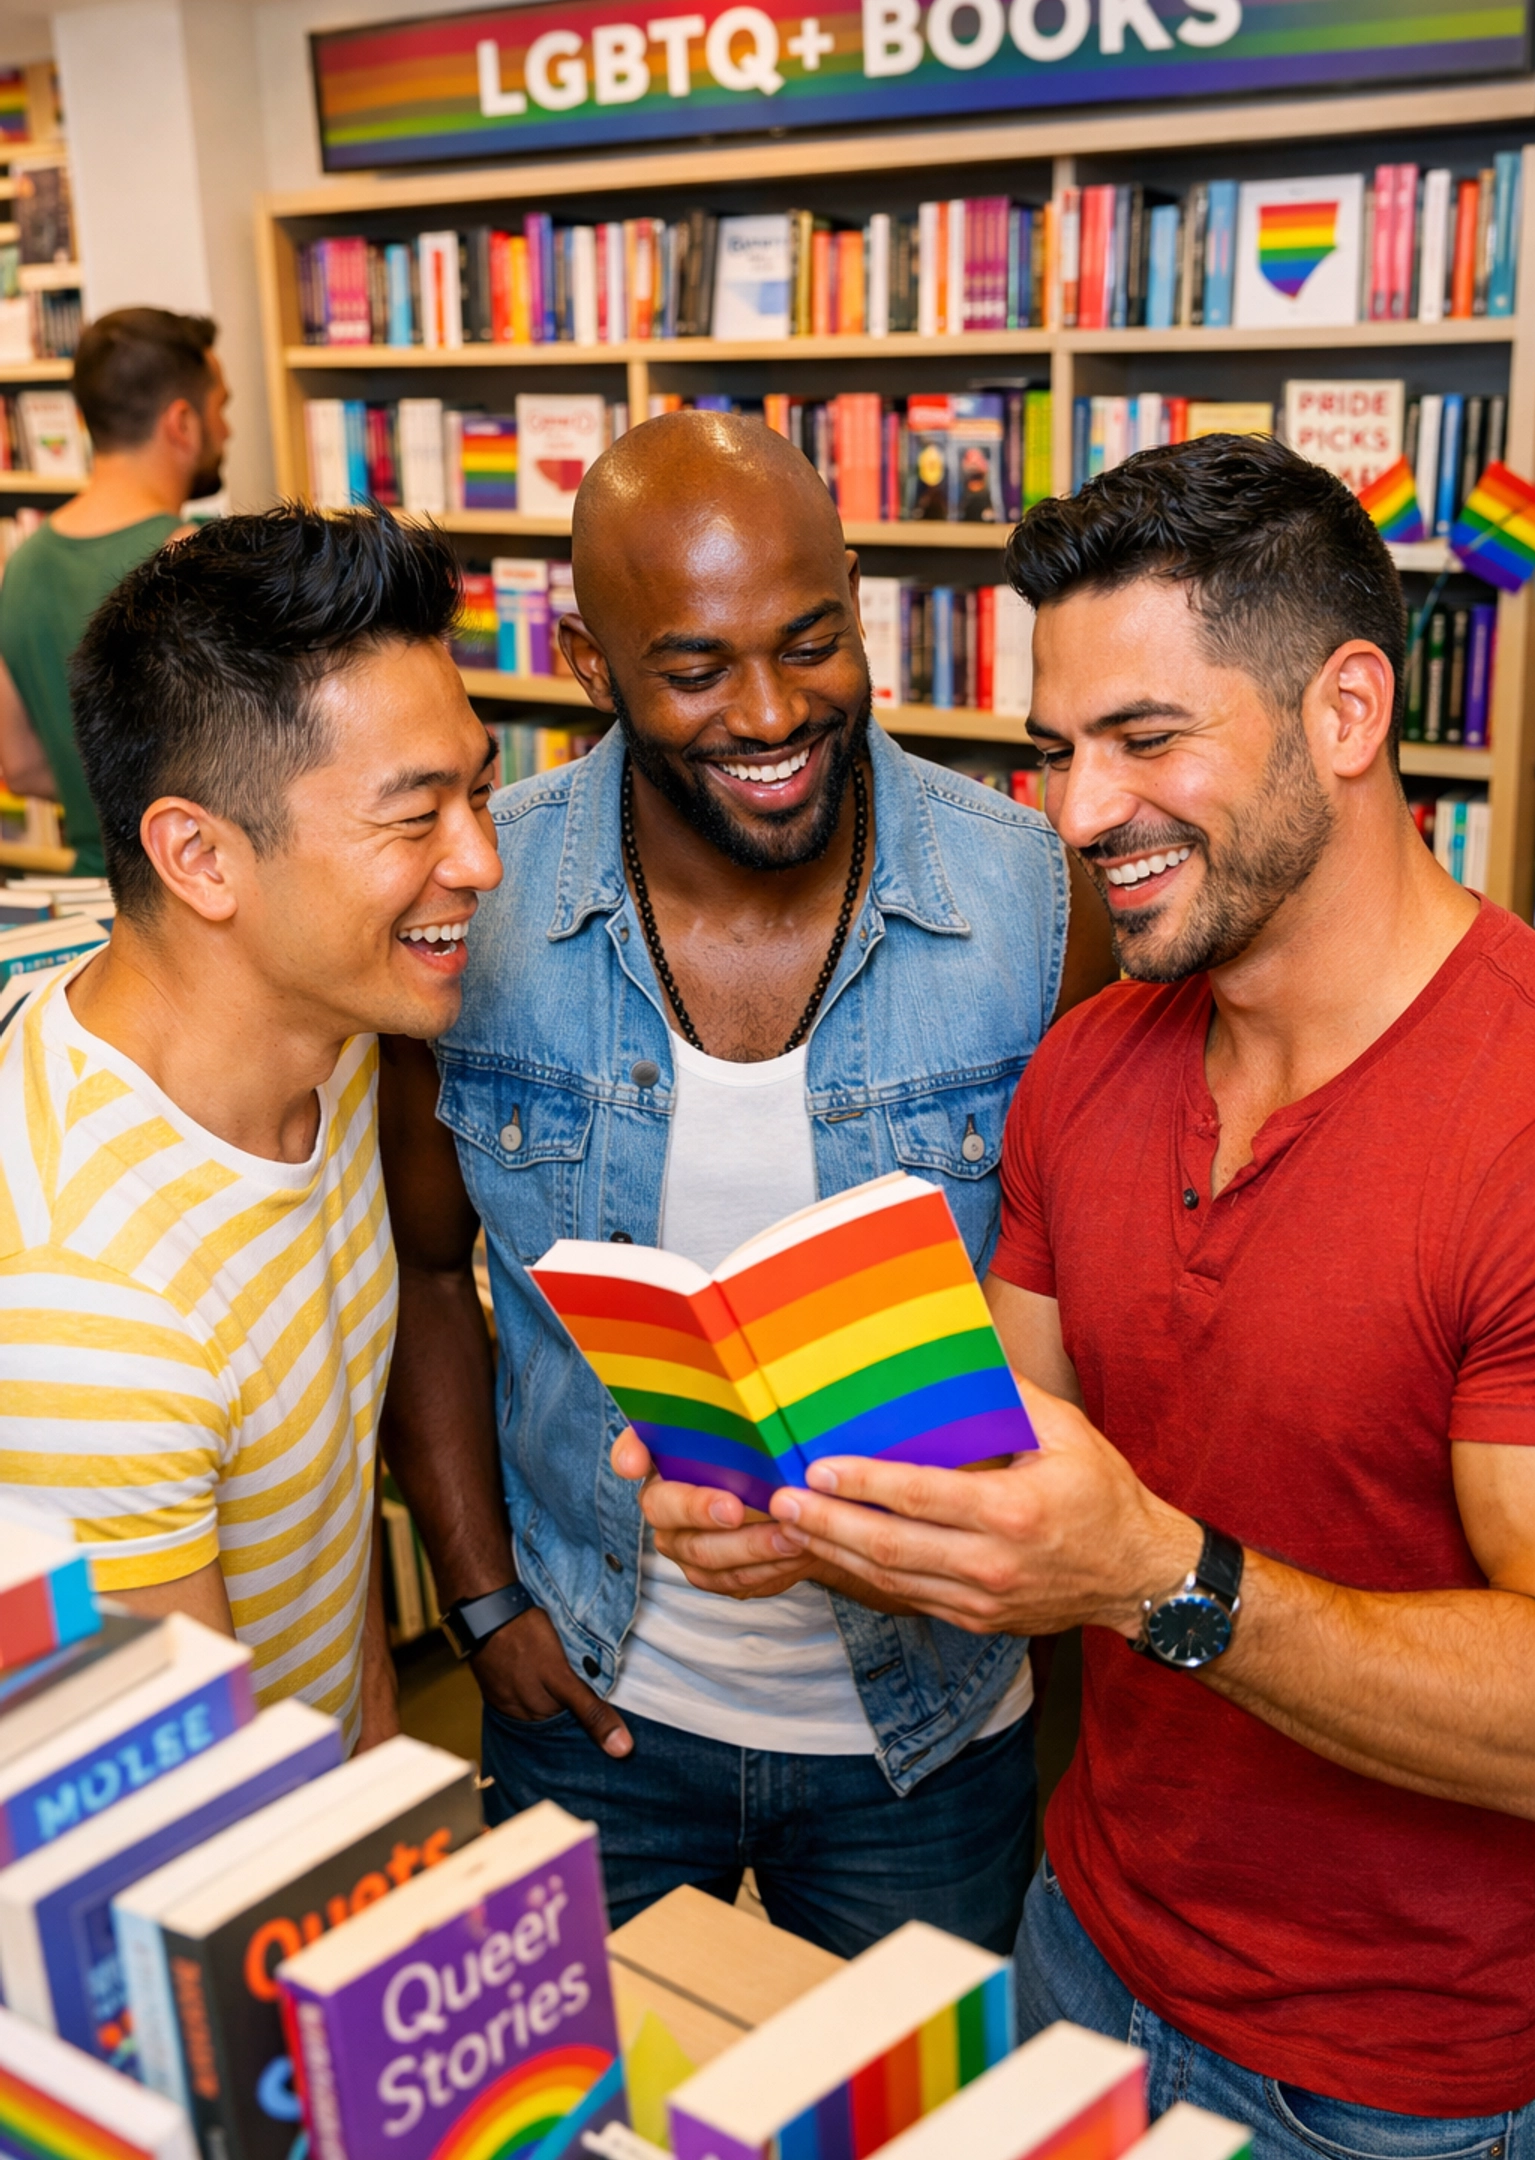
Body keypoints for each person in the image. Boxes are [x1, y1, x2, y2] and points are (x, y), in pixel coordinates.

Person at [684, 435, 1535, 2150]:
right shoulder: (1085, 1067)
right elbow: (1025, 1483)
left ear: (1349, 711)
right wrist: (824, 1504)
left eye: (1147, 739)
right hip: (1082, 1952)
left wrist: (1168, 1575)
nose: (1075, 815)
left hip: (1391, 2075)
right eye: (1059, 752)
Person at [380, 408, 1116, 1954]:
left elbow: (1103, 1321)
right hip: (591, 1705)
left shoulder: (1039, 898)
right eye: (697, 670)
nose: (773, 713)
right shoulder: (475, 907)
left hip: (931, 1740)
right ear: (589, 661)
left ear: (859, 596)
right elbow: (430, 1275)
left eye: (812, 639)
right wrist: (484, 1603)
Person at [0, 504, 502, 1749]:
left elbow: (331, 1588)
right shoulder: (89, 1310)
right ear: (201, 860)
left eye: (480, 794)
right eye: (414, 815)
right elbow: (200, 1841)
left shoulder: (326, 1036)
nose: (482, 862)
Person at [0, 307, 230, 877]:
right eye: (221, 406)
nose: (226, 429)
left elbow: (22, 767)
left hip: (90, 895)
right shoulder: (192, 560)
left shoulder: (21, 564)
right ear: (182, 421)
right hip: (190, 900)